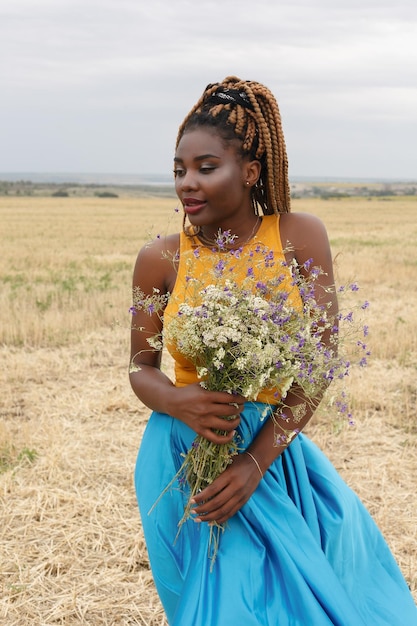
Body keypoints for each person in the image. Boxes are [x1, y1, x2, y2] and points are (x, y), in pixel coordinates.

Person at [130, 76, 417, 625]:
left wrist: (254, 462)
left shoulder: (297, 237)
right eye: (179, 170)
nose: (187, 183)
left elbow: (321, 359)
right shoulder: (159, 258)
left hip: (270, 452)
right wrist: (176, 401)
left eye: (206, 167)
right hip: (179, 455)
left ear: (252, 172)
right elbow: (139, 369)